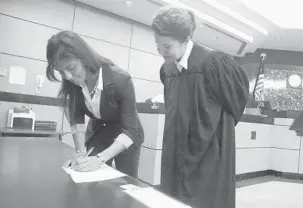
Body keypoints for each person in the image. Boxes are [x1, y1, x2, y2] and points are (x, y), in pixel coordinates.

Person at [151, 6, 249, 208]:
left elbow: (236, 101)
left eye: (167, 46)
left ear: (186, 40)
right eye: (157, 45)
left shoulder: (213, 63)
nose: (161, 52)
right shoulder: (167, 69)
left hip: (208, 150)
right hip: (175, 149)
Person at [46, 30, 144, 177]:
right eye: (61, 72)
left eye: (71, 68)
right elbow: (77, 121)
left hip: (127, 133)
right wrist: (80, 154)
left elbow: (130, 129)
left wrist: (100, 158)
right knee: (89, 173)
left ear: (84, 57)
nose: (68, 76)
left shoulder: (121, 79)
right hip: (100, 131)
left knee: (127, 180)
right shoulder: (72, 84)